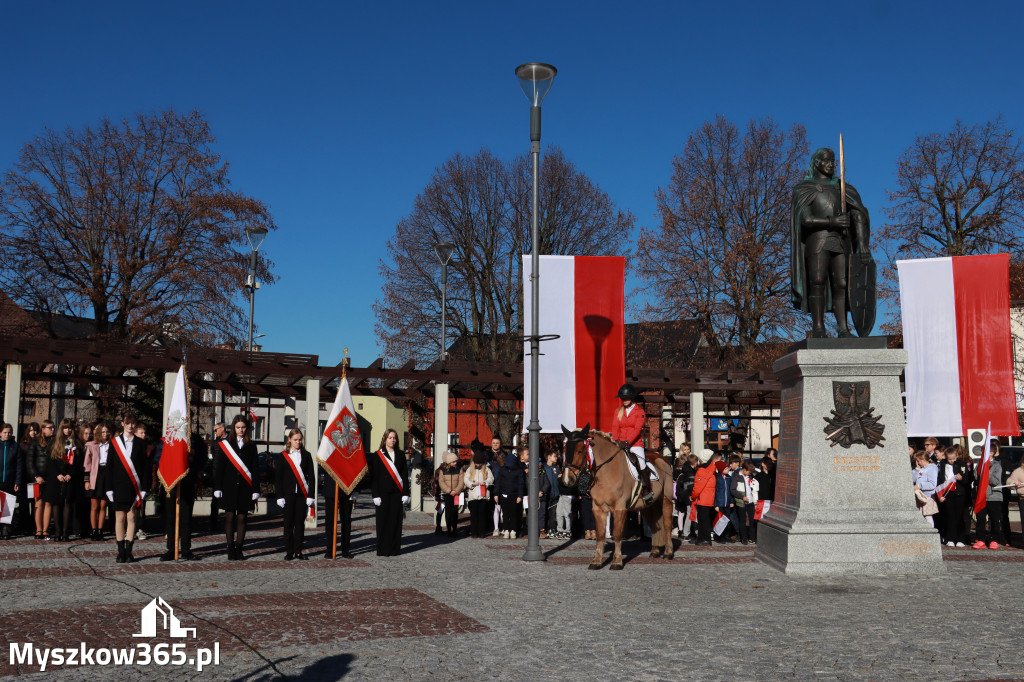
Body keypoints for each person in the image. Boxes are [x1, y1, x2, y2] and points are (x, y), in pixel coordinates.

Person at [790, 147, 871, 338]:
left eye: (833, 161)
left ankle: (843, 328)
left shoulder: (842, 188)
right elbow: (805, 220)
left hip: (840, 241)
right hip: (817, 240)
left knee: (842, 284)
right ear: (817, 162)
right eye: (826, 161)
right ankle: (818, 327)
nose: (830, 165)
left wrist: (861, 243)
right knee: (817, 281)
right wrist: (832, 221)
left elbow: (858, 213)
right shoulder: (805, 188)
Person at [213, 415, 260, 560]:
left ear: (247, 428)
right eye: (238, 427)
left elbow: (255, 469)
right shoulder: (226, 444)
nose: (241, 430)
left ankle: (239, 548)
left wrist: (256, 490)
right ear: (233, 428)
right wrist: (217, 487)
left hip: (246, 487)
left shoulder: (251, 446)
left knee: (242, 518)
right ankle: (230, 548)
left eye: (243, 427)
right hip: (228, 486)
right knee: (229, 517)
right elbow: (219, 468)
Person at [105, 413, 149, 563]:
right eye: (128, 423)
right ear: (122, 424)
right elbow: (109, 466)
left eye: (133, 423)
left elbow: (145, 468)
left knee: (131, 517)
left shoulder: (141, 443)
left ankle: (129, 551)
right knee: (120, 517)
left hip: (134, 486)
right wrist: (109, 488)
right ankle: (120, 551)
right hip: (118, 485)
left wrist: (144, 488)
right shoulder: (114, 442)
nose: (130, 426)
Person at [161, 433, 207, 561]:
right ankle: (171, 549)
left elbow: (202, 458)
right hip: (171, 482)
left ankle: (186, 549)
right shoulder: (169, 436)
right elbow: (160, 456)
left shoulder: (196, 439)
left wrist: (188, 468)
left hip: (187, 480)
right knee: (170, 517)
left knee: (186, 518)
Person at [274, 428, 314, 561]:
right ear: (289, 440)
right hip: (288, 495)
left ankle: (298, 551)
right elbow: (278, 478)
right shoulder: (283, 456)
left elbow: (312, 477)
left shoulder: (307, 455)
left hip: (302, 495)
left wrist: (311, 496)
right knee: (288, 524)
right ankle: (289, 551)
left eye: (300, 440)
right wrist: (279, 496)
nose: (298, 442)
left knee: (300, 524)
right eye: (295, 439)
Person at [369, 428, 409, 556]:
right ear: (385, 439)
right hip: (382, 493)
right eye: (390, 437)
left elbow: (404, 475)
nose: (392, 440)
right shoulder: (378, 454)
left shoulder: (401, 454)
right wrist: (375, 494)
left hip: (397, 493)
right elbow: (374, 477)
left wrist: (406, 493)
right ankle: (382, 549)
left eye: (394, 438)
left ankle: (394, 549)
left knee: (395, 521)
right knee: (383, 521)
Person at [611, 383, 652, 505]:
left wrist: (627, 442)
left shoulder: (640, 412)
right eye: (622, 398)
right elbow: (615, 427)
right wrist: (616, 439)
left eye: (626, 398)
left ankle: (647, 489)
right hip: (620, 443)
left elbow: (637, 430)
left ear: (632, 398)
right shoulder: (618, 411)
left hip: (635, 444)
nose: (624, 400)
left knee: (641, 463)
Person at [43, 419, 84, 542]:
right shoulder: (54, 442)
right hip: (57, 478)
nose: (67, 430)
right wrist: (57, 474)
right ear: (61, 429)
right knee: (56, 504)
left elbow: (79, 461)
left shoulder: (76, 442)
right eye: (65, 428)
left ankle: (65, 532)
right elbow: (50, 460)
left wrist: (70, 474)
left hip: (70, 477)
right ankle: (57, 532)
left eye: (69, 428)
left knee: (67, 503)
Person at [936, 444, 972, 547]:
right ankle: (950, 538)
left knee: (960, 516)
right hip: (947, 493)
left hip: (960, 493)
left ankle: (961, 538)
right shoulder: (942, 464)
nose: (952, 461)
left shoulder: (962, 464)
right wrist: (940, 494)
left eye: (953, 459)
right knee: (950, 516)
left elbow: (967, 479)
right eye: (949, 459)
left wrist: (961, 478)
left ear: (957, 456)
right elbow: (940, 480)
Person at [972, 440, 1004, 550]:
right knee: (980, 519)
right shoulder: (979, 465)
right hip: (981, 496)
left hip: (994, 496)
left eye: (986, 451)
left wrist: (986, 471)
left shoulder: (997, 465)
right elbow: (976, 478)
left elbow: (995, 481)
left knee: (994, 520)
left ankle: (994, 539)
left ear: (992, 453)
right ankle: (980, 539)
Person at [83, 421, 113, 541]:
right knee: (94, 505)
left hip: (107, 474)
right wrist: (86, 480)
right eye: (103, 432)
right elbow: (87, 463)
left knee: (103, 505)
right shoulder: (91, 445)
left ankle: (100, 530)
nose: (105, 434)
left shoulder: (112, 445)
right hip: (95, 475)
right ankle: (93, 530)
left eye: (107, 432)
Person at [23, 421, 52, 540]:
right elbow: (29, 462)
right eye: (50, 428)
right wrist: (36, 476)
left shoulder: (54, 442)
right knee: (38, 503)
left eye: (54, 428)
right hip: (36, 479)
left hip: (50, 478)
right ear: (43, 429)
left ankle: (46, 530)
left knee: (48, 503)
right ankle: (38, 529)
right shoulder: (35, 443)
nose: (53, 430)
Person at [323, 469, 356, 559]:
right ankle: (330, 549)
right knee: (330, 521)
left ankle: (345, 550)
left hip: (347, 488)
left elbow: (355, 468)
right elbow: (322, 466)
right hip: (331, 488)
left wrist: (356, 490)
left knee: (346, 520)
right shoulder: (328, 453)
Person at [493, 446, 525, 539]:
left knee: (514, 514)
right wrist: (496, 493)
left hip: (514, 495)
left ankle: (513, 530)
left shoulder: (518, 471)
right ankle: (506, 529)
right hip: (504, 494)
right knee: (505, 514)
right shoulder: (503, 470)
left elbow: (520, 484)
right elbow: (498, 482)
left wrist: (520, 496)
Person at [690, 449, 717, 546]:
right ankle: (704, 538)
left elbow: (697, 487)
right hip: (708, 498)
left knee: (702, 520)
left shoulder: (702, 471)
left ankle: (704, 539)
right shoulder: (711, 468)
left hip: (702, 499)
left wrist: (693, 496)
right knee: (706, 520)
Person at [0, 423, 23, 539]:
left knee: (7, 506)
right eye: (4, 432)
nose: (7, 434)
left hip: (10, 480)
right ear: (0, 433)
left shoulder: (15, 447)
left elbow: (19, 466)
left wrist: (17, 482)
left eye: (9, 432)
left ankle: (5, 529)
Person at [464, 451, 493, 539]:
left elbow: (491, 478)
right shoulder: (470, 469)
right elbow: (466, 479)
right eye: (477, 463)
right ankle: (474, 532)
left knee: (482, 515)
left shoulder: (487, 469)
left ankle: (481, 532)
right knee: (474, 515)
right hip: (473, 495)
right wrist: (472, 484)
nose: (478, 465)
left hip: (483, 495)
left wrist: (485, 483)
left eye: (480, 463)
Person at [437, 451, 465, 538]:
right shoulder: (442, 471)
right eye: (453, 462)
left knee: (455, 512)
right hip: (447, 494)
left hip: (457, 494)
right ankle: (449, 529)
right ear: (449, 462)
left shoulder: (459, 469)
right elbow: (441, 482)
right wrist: (449, 491)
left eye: (455, 461)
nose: (455, 463)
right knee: (448, 513)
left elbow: (462, 482)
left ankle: (454, 529)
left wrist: (456, 491)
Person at [732, 461, 760, 545]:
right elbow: (732, 490)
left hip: (751, 502)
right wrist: (741, 497)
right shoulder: (737, 477)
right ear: (744, 470)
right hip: (742, 502)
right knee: (742, 520)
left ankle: (752, 537)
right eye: (748, 471)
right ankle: (744, 538)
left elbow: (754, 489)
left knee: (752, 520)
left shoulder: (750, 477)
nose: (749, 473)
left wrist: (755, 501)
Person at [911, 451, 939, 527]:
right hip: (920, 496)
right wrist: (917, 469)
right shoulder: (922, 468)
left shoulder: (931, 468)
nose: (917, 463)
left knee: (928, 516)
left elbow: (932, 484)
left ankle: (931, 532)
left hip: (927, 496)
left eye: (918, 461)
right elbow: (914, 479)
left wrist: (920, 486)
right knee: (923, 516)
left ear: (923, 460)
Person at [675, 453, 697, 542]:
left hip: (684, 496)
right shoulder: (690, 473)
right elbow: (690, 486)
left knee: (688, 514)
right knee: (690, 514)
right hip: (689, 496)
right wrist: (692, 495)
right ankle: (687, 533)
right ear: (694, 463)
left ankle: (687, 532)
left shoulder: (684, 470)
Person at [208, 422, 226, 530]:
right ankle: (213, 523)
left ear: (222, 428)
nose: (215, 432)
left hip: (228, 475)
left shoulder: (230, 441)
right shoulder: (215, 443)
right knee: (214, 501)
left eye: (216, 430)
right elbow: (213, 460)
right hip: (217, 475)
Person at [541, 451, 560, 539]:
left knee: (552, 514)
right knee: (545, 513)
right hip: (547, 494)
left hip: (555, 494)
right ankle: (544, 529)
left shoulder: (556, 468)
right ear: (549, 457)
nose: (556, 458)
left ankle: (552, 529)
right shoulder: (544, 467)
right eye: (554, 456)